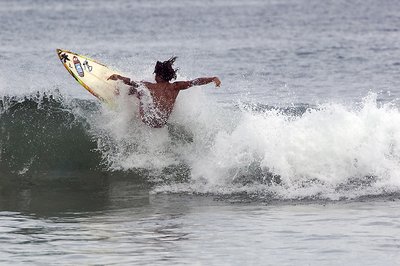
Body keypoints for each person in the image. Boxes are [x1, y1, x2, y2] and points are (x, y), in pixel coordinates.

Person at [108, 57, 221, 128]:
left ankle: (120, 93)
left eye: (156, 74)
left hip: (148, 120)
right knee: (145, 91)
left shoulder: (150, 86)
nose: (154, 76)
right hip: (162, 122)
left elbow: (131, 81)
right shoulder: (176, 87)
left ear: (159, 76)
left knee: (140, 89)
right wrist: (212, 78)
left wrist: (118, 77)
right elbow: (195, 82)